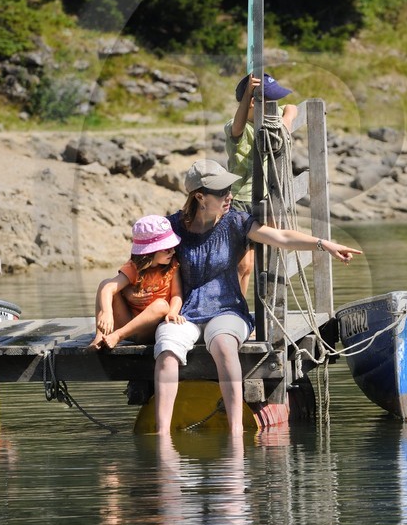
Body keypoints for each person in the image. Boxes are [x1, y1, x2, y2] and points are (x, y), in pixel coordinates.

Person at [150, 158, 360, 436]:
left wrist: (324, 244)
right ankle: (162, 433)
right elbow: (141, 261)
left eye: (230, 189)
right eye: (222, 192)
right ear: (200, 196)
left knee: (224, 345)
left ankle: (236, 430)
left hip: (227, 311)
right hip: (183, 311)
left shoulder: (235, 222)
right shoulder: (173, 226)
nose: (230, 196)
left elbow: (282, 237)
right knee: (166, 351)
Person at [227, 73, 299, 296]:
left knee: (275, 248)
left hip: (265, 197)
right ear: (252, 104)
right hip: (240, 199)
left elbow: (292, 106)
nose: (274, 106)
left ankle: (272, 303)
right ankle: (238, 313)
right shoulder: (235, 127)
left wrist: (286, 121)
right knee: (244, 265)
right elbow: (238, 126)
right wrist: (249, 91)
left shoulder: (271, 117)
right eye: (269, 101)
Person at [91, 215, 185, 350]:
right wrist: (107, 312)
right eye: (166, 248)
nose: (172, 251)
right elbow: (108, 289)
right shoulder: (133, 267)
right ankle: (100, 336)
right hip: (127, 322)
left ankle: (118, 335)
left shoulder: (172, 266)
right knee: (105, 284)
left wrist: (173, 312)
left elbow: (177, 294)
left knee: (161, 306)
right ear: (150, 251)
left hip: (150, 329)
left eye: (172, 247)